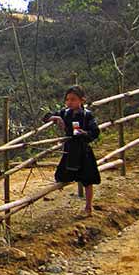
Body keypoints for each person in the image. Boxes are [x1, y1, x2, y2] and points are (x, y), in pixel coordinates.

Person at [43, 85, 101, 216]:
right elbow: (46, 116)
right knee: (62, 176)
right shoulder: (65, 113)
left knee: (87, 180)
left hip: (83, 150)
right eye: (67, 99)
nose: (70, 102)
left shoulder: (87, 115)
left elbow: (95, 132)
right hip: (70, 149)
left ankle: (88, 207)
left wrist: (84, 133)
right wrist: (55, 118)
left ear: (82, 100)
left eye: (73, 99)